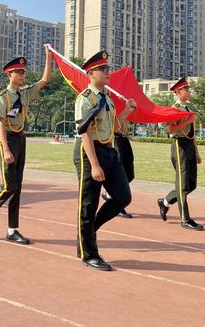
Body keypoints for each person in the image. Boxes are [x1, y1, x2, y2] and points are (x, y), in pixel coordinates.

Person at [0, 46, 52, 245]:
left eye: (23, 71)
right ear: (9, 74)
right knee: (9, 186)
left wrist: (48, 57)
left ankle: (12, 230)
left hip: (21, 138)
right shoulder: (3, 96)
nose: (22, 75)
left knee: (17, 188)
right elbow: (0, 123)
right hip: (8, 140)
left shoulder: (25, 94)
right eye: (18, 72)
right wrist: (6, 149)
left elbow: (45, 81)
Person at [74, 51, 136, 271]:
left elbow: (114, 126)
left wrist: (127, 111)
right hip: (90, 152)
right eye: (103, 69)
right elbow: (85, 133)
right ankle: (88, 253)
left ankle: (91, 230)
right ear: (91, 73)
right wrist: (94, 164)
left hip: (109, 151)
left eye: (108, 68)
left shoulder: (107, 98)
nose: (108, 72)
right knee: (88, 204)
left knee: (123, 196)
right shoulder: (85, 98)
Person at [157, 77, 203, 230]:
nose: (189, 92)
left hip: (189, 145)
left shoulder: (188, 109)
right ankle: (185, 219)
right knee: (183, 185)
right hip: (179, 145)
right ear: (177, 92)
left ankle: (165, 201)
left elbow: (192, 133)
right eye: (186, 89)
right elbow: (170, 130)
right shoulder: (174, 109)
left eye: (188, 89)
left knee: (191, 184)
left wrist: (196, 152)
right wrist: (187, 121)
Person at [102, 118, 135, 218]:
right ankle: (118, 206)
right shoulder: (116, 107)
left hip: (124, 138)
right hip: (116, 138)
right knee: (121, 171)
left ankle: (109, 193)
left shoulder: (126, 105)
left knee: (130, 174)